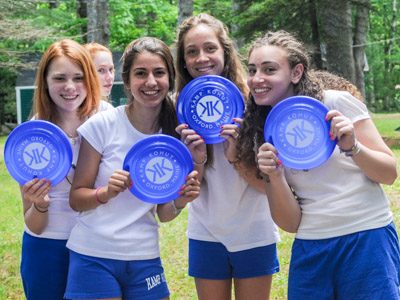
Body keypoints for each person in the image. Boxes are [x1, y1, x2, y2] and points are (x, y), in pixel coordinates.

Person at [238, 30, 400, 299]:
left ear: (296, 72)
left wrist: (353, 147)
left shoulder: (335, 103)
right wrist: (274, 177)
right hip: (312, 246)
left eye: (269, 69)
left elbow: (389, 173)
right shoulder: (262, 129)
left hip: (367, 237)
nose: (257, 79)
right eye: (253, 70)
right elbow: (290, 223)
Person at [64, 37, 201, 300]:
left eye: (159, 73)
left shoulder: (174, 136)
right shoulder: (103, 125)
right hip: (94, 254)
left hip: (144, 255)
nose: (151, 82)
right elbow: (76, 198)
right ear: (126, 81)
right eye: (141, 73)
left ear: (169, 79)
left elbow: (164, 213)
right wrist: (105, 193)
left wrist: (181, 200)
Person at [175, 13, 280, 300]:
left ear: (225, 51)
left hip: (254, 231)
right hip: (205, 232)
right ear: (183, 60)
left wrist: (236, 157)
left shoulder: (255, 100)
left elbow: (270, 186)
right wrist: (195, 160)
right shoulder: (179, 108)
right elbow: (180, 191)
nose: (202, 58)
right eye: (192, 52)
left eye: (210, 48)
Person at [20, 38, 112, 300]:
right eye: (59, 78)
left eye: (78, 77)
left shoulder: (109, 119)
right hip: (45, 250)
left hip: (98, 249)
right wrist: (39, 204)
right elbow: (33, 225)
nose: (70, 87)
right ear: (45, 82)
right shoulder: (33, 132)